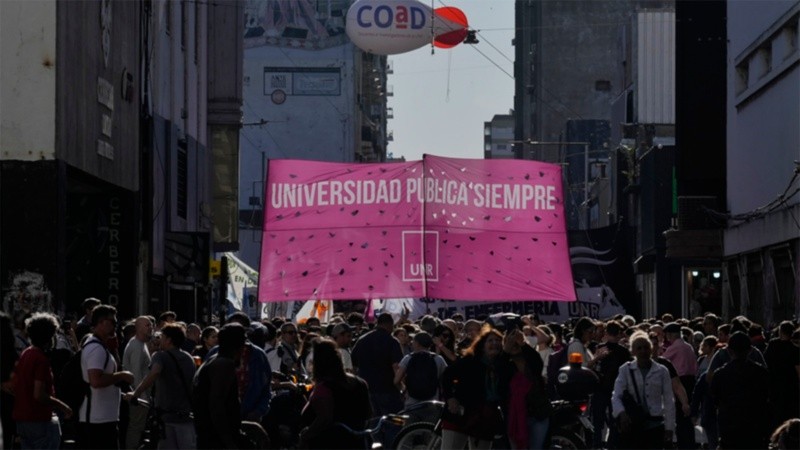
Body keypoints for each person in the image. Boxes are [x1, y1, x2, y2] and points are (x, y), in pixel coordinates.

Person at [440, 327, 512, 450]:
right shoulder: (470, 361)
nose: (494, 343)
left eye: (498, 340)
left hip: (485, 418)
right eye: (490, 341)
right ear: (482, 345)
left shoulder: (504, 365)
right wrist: (450, 398)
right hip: (460, 415)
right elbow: (446, 376)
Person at [12, 313, 73, 449]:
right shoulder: (41, 359)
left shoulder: (26, 353)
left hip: (22, 420)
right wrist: (63, 406)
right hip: (38, 419)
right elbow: (39, 394)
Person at [79, 304, 135, 449]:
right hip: (97, 421)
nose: (115, 326)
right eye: (113, 322)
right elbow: (96, 381)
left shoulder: (100, 346)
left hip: (103, 418)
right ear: (101, 322)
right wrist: (121, 375)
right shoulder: (96, 348)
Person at [298, 339, 372, 449]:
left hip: (330, 442)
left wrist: (306, 435)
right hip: (357, 442)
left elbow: (324, 418)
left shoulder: (324, 388)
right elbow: (368, 413)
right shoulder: (359, 382)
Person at [611, 330, 675, 449]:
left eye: (646, 347)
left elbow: (668, 400)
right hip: (634, 426)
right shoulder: (625, 370)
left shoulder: (662, 371)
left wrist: (669, 428)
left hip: (656, 426)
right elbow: (616, 395)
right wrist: (622, 413)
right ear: (633, 351)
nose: (643, 351)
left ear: (651, 349)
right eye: (639, 348)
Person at [710, 331, 771, 449]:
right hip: (755, 427)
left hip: (729, 428)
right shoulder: (761, 372)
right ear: (750, 350)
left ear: (729, 351)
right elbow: (766, 397)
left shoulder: (720, 374)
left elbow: (715, 399)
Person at [207, 312, 272, 422]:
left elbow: (266, 388)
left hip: (249, 417)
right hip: (220, 418)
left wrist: (258, 411)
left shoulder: (258, 355)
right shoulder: (215, 353)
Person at [192, 323, 246, 449]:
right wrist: (229, 442)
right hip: (215, 439)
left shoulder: (212, 360)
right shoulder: (224, 364)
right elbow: (216, 405)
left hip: (208, 435)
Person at [503, 327, 550, 449]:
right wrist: (506, 351)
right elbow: (499, 373)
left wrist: (523, 344)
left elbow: (537, 364)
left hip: (537, 414)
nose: (514, 344)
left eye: (516, 340)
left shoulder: (530, 359)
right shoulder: (504, 363)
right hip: (514, 417)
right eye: (510, 340)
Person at [351, 313, 405, 416]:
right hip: (387, 390)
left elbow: (353, 366)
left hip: (366, 389)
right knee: (392, 423)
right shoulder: (392, 341)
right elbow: (396, 367)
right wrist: (400, 387)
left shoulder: (362, 340)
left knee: (372, 423)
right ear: (390, 325)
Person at [591, 320, 632, 449]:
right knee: (615, 419)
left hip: (600, 387)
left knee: (598, 421)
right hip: (617, 388)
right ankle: (612, 444)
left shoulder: (600, 348)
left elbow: (594, 368)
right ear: (619, 333)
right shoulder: (624, 352)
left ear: (606, 333)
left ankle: (597, 444)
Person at [661, 322, 697, 449]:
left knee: (681, 415)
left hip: (680, 382)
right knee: (687, 416)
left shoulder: (675, 347)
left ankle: (684, 444)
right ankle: (689, 443)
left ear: (670, 335)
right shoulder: (688, 346)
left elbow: (662, 360)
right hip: (691, 381)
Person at [121, 316, 154, 449]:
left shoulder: (141, 344)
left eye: (151, 325)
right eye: (147, 325)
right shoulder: (136, 346)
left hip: (140, 396)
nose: (151, 328)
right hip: (138, 398)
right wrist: (141, 396)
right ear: (138, 328)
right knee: (136, 428)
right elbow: (135, 374)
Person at [394, 332, 447, 407]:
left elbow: (396, 381)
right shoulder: (438, 359)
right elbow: (444, 380)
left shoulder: (408, 358)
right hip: (432, 402)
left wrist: (403, 391)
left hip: (412, 402)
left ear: (417, 343)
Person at [763, 320, 800, 424]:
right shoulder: (795, 350)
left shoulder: (772, 345)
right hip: (790, 387)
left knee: (775, 415)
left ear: (780, 331)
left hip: (773, 385)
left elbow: (765, 363)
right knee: (789, 415)